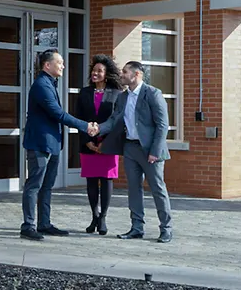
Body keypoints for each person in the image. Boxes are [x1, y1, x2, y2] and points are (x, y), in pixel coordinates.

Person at [20, 49, 97, 241]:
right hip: (40, 143)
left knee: (47, 186)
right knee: (34, 185)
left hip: (52, 143)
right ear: (48, 65)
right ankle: (28, 226)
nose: (63, 66)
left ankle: (44, 223)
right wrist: (85, 126)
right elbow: (58, 114)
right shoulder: (41, 85)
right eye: (60, 62)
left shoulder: (50, 83)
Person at [97, 61, 174, 243]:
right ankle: (136, 228)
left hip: (150, 150)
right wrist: (97, 128)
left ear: (137, 74)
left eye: (125, 72)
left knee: (158, 189)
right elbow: (114, 120)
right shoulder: (123, 97)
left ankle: (166, 229)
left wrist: (155, 151)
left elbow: (163, 125)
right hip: (130, 148)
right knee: (133, 189)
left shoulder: (153, 94)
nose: (121, 75)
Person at [75, 55, 123, 235]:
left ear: (107, 74)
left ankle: (103, 217)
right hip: (87, 144)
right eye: (94, 70)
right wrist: (87, 141)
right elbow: (78, 119)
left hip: (108, 144)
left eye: (99, 71)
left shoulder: (117, 94)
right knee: (91, 181)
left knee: (106, 179)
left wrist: (105, 142)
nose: (95, 73)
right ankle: (94, 215)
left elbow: (117, 121)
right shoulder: (84, 92)